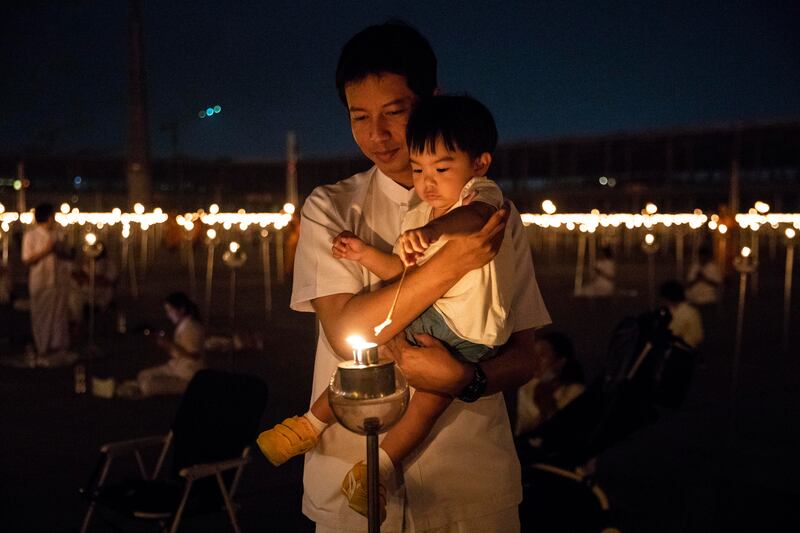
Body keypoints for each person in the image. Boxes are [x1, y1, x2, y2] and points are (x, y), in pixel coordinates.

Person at [284, 22, 550, 533]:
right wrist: (450, 264)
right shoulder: (331, 208)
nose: (377, 136)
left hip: (466, 481)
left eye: (394, 112)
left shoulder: (490, 210)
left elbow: (525, 353)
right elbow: (345, 334)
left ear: (432, 100)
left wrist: (467, 380)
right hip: (346, 474)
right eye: (359, 117)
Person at [259, 95, 522, 519]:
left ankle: (376, 469)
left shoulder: (480, 200)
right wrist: (364, 254)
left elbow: (474, 219)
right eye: (421, 170)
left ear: (478, 164)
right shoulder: (331, 204)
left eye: (440, 168)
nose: (428, 182)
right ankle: (307, 426)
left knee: (429, 401)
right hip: (434, 320)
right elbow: (400, 273)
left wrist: (435, 229)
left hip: (471, 345)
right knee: (368, 357)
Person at [21, 202, 73, 363]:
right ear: (49, 217)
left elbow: (68, 256)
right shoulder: (31, 236)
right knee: (41, 316)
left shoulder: (58, 235)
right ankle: (42, 347)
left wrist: (60, 250)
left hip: (58, 282)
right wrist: (46, 250)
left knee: (59, 315)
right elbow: (27, 260)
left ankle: (58, 347)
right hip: (41, 282)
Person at [129, 292, 206, 397]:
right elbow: (176, 353)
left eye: (170, 311)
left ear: (181, 310)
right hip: (176, 368)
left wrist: (169, 343)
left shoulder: (192, 328)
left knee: (148, 386)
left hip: (188, 375)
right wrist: (165, 345)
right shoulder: (182, 327)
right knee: (143, 375)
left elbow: (193, 355)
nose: (168, 315)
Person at [514, 331, 586, 437]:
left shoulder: (576, 392)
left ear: (560, 363)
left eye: (542, 356)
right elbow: (522, 432)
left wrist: (548, 406)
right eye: (534, 356)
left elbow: (575, 436)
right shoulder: (527, 388)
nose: (536, 362)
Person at [659, 280, 703, 348]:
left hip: (684, 349)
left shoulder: (686, 312)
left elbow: (673, 331)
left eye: (664, 299)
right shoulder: (685, 310)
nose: (663, 302)